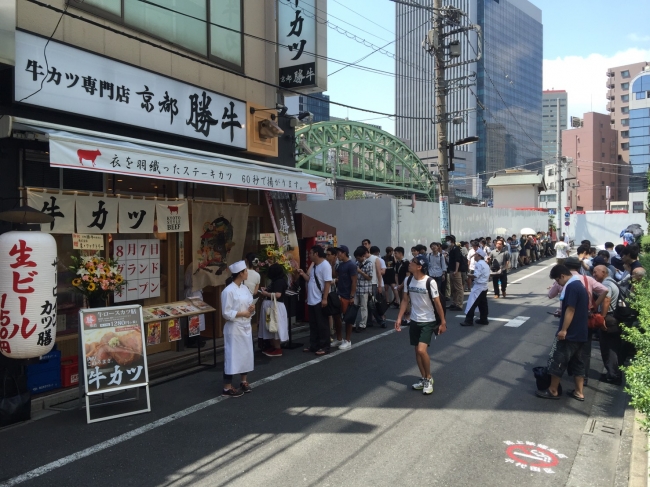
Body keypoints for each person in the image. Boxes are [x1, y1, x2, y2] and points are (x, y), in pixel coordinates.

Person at [395, 254, 447, 395]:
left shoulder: (430, 282)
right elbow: (405, 300)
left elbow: (437, 303)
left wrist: (443, 322)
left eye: (413, 262)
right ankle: (424, 378)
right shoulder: (408, 280)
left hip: (428, 321)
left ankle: (429, 378)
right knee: (416, 351)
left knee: (421, 350)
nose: (410, 263)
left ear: (419, 267)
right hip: (414, 320)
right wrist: (399, 318)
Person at [537, 265, 590, 401]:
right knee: (578, 363)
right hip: (581, 332)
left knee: (558, 360)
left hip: (570, 333)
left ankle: (553, 390)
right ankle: (579, 392)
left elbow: (571, 309)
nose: (558, 283)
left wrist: (563, 330)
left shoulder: (572, 287)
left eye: (557, 280)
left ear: (562, 276)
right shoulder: (579, 285)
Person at [221, 260, 256, 397]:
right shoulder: (228, 291)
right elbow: (226, 312)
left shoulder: (245, 288)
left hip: (245, 325)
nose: (247, 273)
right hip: (234, 327)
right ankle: (227, 387)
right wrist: (242, 313)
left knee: (245, 354)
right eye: (246, 271)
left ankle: (243, 380)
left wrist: (251, 309)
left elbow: (249, 304)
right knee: (232, 356)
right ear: (240, 273)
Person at [298, 245, 332, 356]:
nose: (309, 255)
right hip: (312, 300)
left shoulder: (325, 265)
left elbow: (327, 282)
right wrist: (303, 274)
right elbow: (310, 279)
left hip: (320, 299)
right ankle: (314, 345)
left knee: (322, 325)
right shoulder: (314, 266)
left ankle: (325, 346)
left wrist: (325, 298)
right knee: (313, 325)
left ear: (316, 253)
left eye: (311, 253)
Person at [592, 265, 622, 385]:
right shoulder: (611, 281)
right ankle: (613, 373)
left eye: (595, 272)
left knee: (608, 348)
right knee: (611, 347)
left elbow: (606, 300)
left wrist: (601, 318)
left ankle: (613, 375)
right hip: (612, 317)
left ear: (604, 272)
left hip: (609, 317)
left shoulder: (607, 284)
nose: (593, 275)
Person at [258, 264, 289, 357]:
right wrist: (267, 290)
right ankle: (274, 346)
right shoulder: (277, 281)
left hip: (275, 307)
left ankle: (277, 348)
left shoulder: (279, 281)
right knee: (270, 326)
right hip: (271, 307)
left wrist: (266, 293)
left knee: (274, 326)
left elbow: (278, 294)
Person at [331, 245, 357, 350]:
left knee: (348, 319)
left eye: (339, 253)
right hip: (339, 294)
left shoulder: (351, 265)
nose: (338, 255)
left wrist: (352, 296)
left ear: (345, 253)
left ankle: (348, 340)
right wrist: (332, 264)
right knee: (337, 317)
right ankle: (339, 338)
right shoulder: (340, 265)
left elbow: (354, 281)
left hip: (347, 295)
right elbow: (334, 275)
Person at [461, 248, 490, 326]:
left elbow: (475, 275)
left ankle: (468, 320)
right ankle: (484, 319)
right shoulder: (485, 264)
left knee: (471, 303)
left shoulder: (479, 264)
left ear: (479, 256)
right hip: (484, 286)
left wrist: (467, 275)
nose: (474, 256)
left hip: (478, 287)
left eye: (476, 255)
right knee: (483, 304)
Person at [184, 262, 206, 348]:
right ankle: (193, 340)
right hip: (193, 292)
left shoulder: (194, 265)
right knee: (194, 317)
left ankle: (195, 338)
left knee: (196, 317)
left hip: (194, 292)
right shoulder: (194, 265)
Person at [353, 246, 374, 333]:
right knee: (353, 306)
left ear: (363, 256)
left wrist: (360, 272)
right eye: (356, 258)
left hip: (365, 289)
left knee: (363, 307)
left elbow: (369, 277)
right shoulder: (355, 263)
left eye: (359, 258)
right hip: (356, 288)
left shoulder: (369, 264)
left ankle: (363, 324)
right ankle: (353, 324)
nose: (358, 259)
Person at [368, 246, 386, 328]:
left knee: (377, 302)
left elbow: (382, 272)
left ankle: (380, 317)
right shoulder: (366, 259)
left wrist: (379, 285)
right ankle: (371, 320)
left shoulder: (379, 260)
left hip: (377, 283)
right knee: (371, 303)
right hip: (373, 283)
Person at [446, 235, 466, 311]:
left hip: (455, 271)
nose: (447, 241)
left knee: (458, 288)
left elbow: (457, 260)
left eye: (448, 240)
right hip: (451, 270)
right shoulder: (451, 249)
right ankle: (454, 302)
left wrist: (456, 270)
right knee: (453, 288)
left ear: (452, 241)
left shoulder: (456, 249)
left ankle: (459, 304)